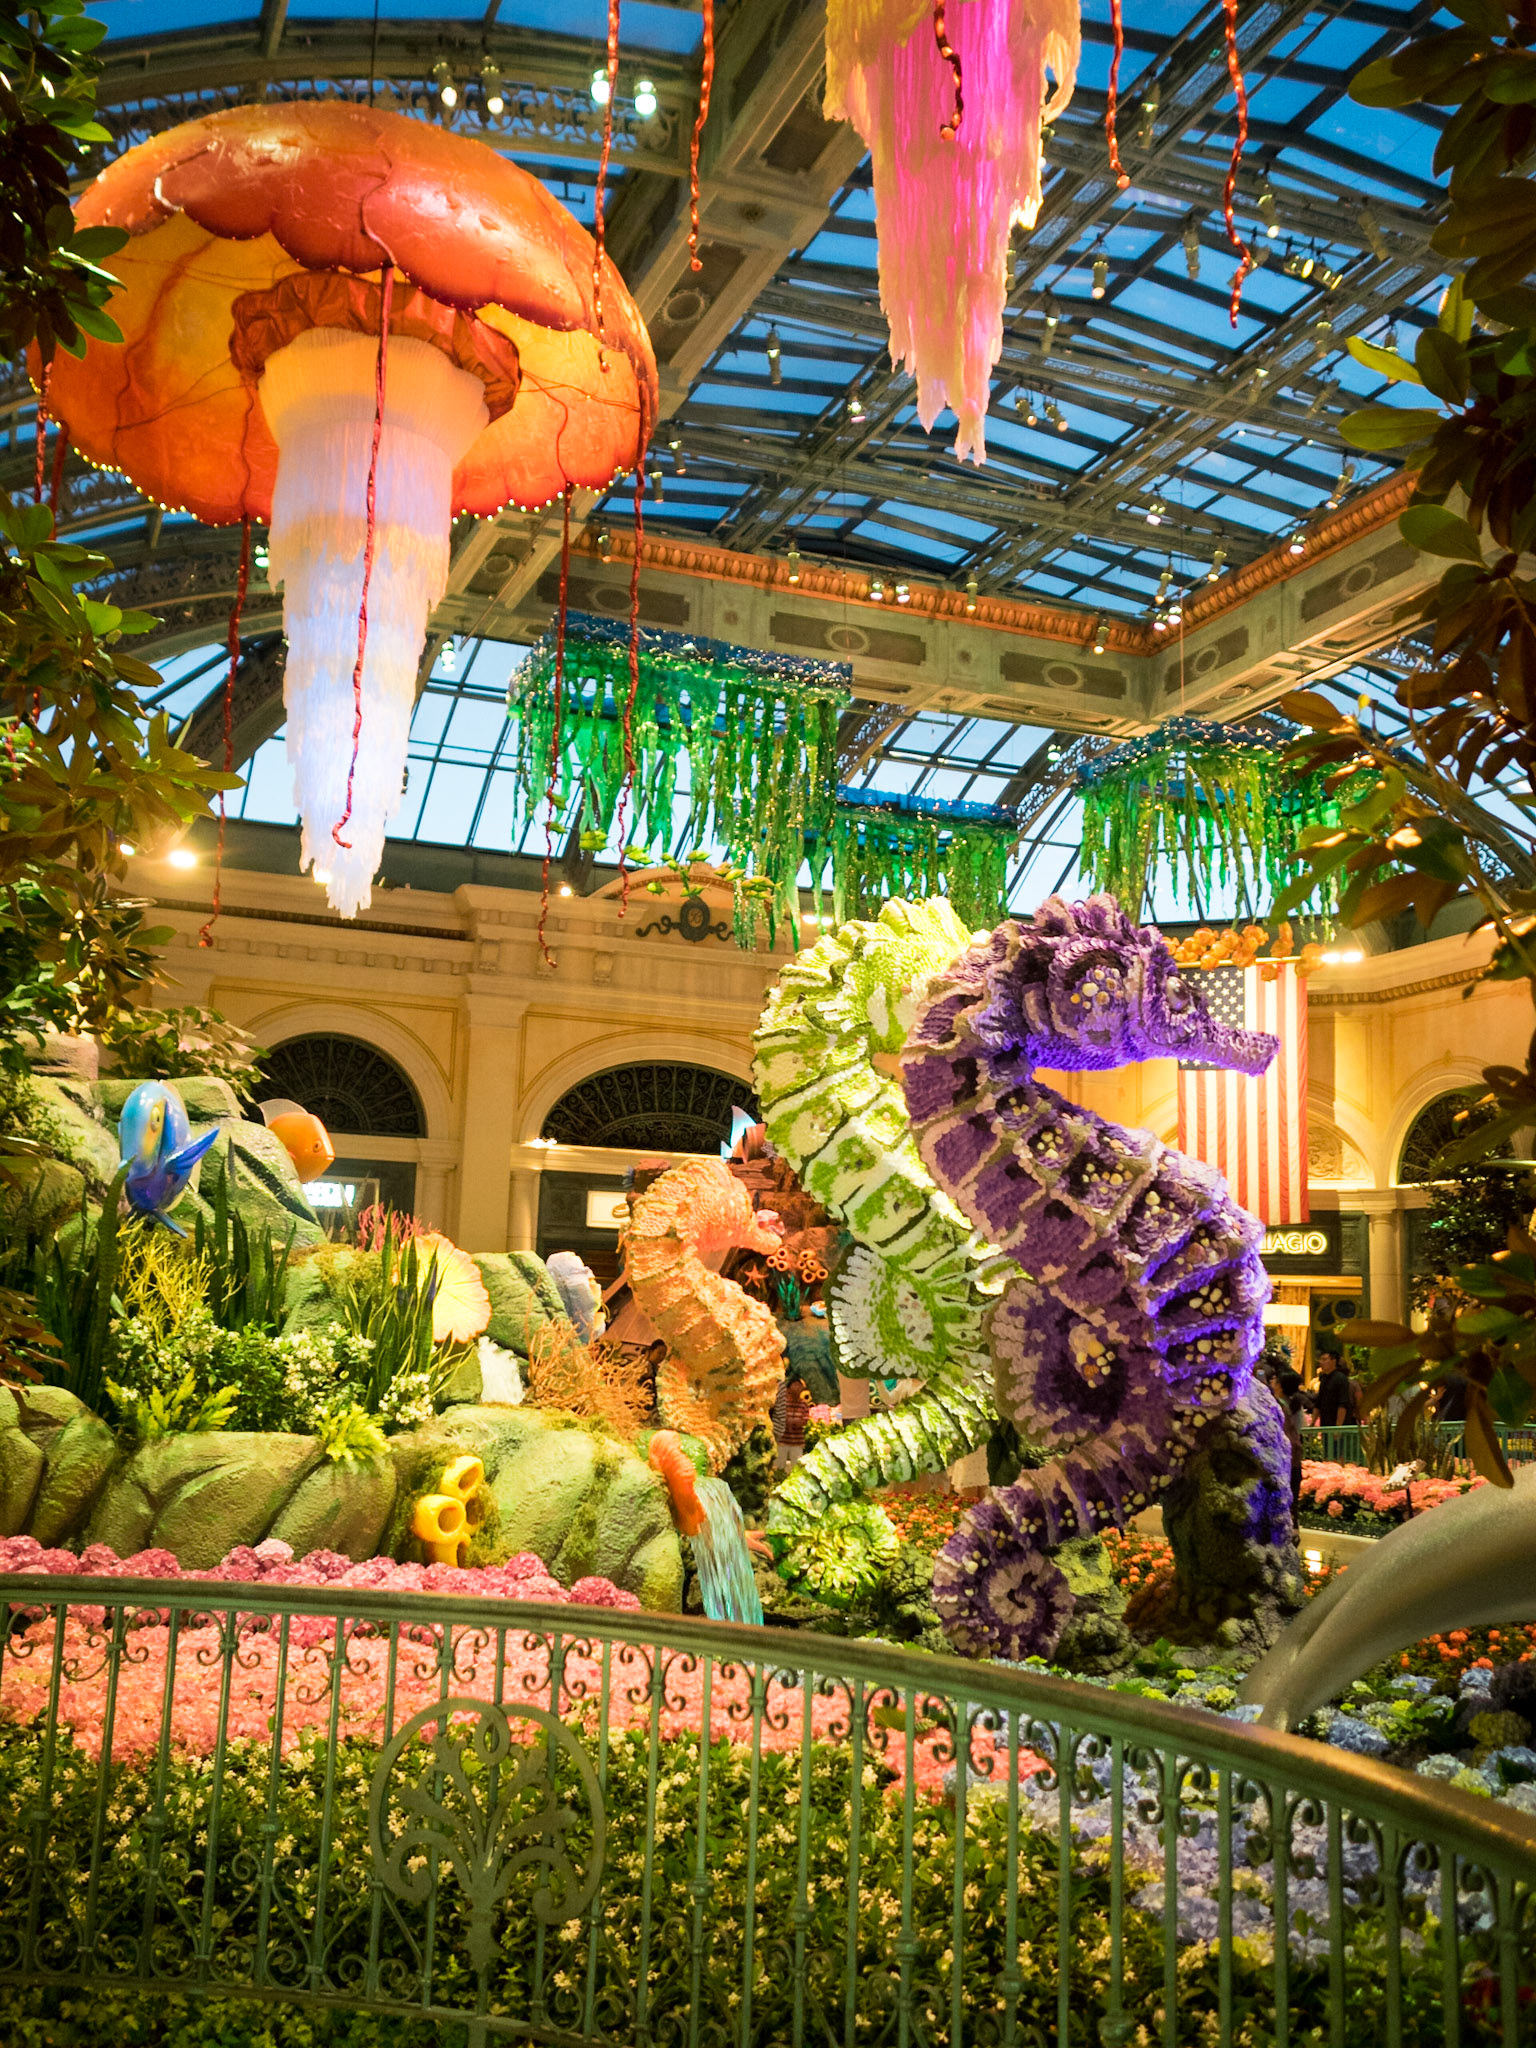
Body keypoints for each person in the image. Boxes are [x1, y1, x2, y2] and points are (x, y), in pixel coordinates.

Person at [1314, 1349, 1358, 1428]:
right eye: (1320, 1360)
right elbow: (1318, 1403)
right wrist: (1312, 1423)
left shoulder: (1340, 1378)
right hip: (1326, 1424)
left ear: (1333, 1361)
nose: (1321, 1362)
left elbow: (1343, 1404)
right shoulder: (1324, 1379)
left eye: (1324, 1359)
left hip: (1339, 1425)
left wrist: (1338, 1427)